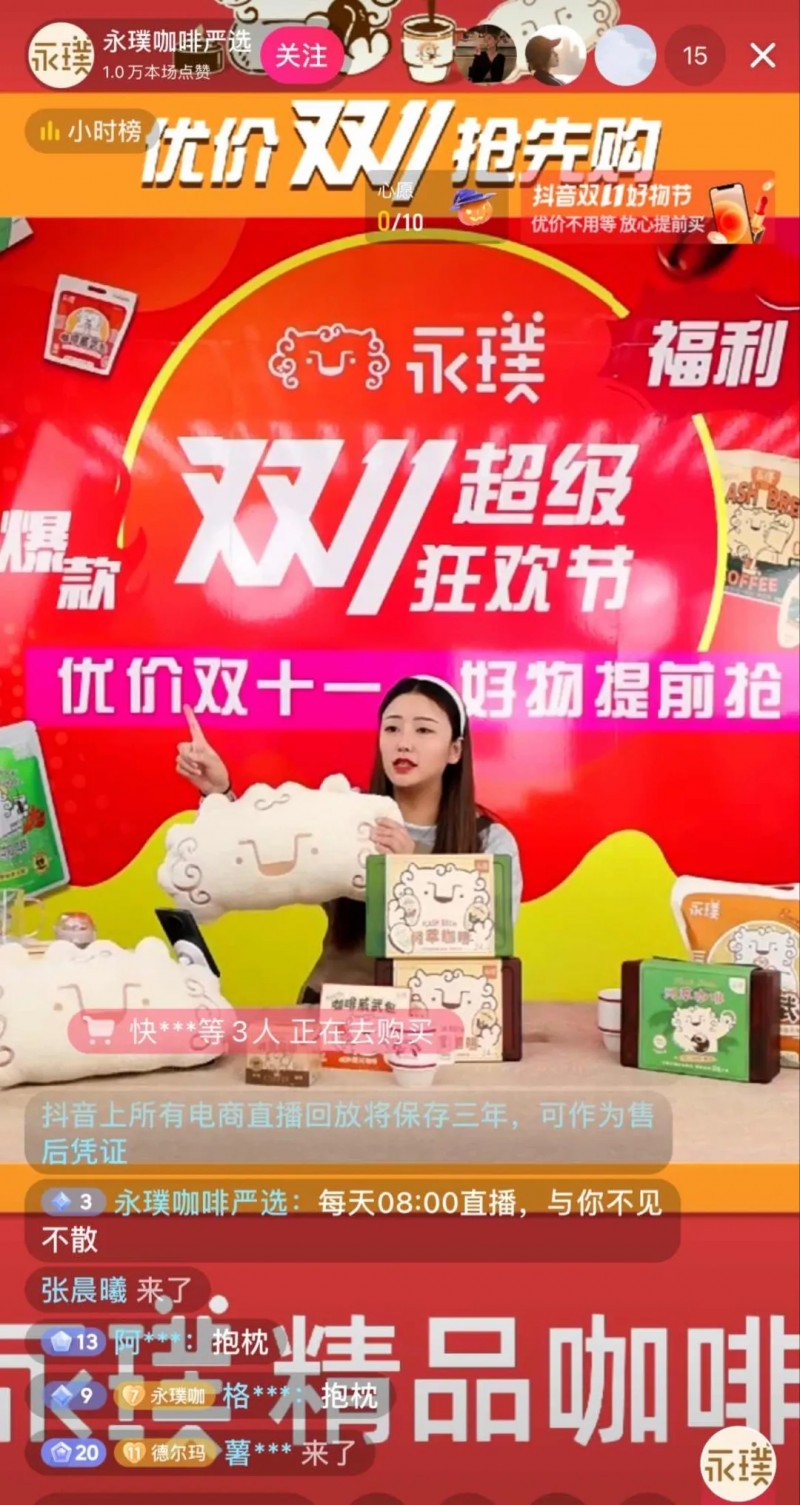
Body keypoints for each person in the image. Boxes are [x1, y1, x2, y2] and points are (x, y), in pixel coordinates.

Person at [176, 675, 523, 1000]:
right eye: (392, 728)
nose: (404, 743)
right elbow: (263, 854)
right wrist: (218, 792)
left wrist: (411, 876)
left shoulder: (488, 841)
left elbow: (487, 946)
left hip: (435, 1022)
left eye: (423, 730)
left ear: (455, 750)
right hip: (332, 1013)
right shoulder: (346, 814)